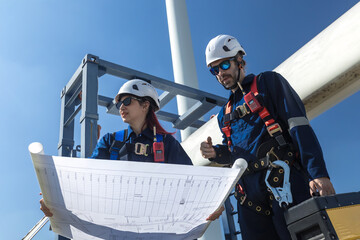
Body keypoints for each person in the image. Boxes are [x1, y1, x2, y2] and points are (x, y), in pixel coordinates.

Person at [40, 79, 222, 239]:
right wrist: (56, 194)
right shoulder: (110, 142)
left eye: (127, 101)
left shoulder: (167, 144)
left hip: (157, 232)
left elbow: (192, 186)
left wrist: (212, 206)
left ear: (145, 105)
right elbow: (88, 183)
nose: (121, 106)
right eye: (119, 103)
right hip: (116, 231)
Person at [200, 35, 335, 240]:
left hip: (285, 182)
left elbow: (298, 125)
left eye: (224, 64)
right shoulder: (223, 114)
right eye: (214, 70)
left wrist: (318, 173)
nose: (220, 73)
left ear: (240, 60)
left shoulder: (268, 83)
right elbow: (238, 154)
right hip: (248, 198)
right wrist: (216, 153)